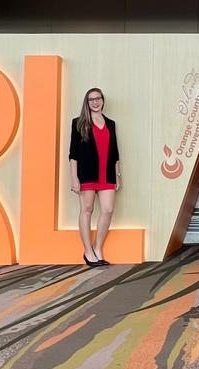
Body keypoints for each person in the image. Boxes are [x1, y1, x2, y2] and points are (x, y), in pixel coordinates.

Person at [68, 87, 121, 267]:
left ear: (103, 100)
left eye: (98, 98)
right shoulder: (78, 123)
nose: (95, 102)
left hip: (107, 173)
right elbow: (73, 154)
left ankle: (98, 248)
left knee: (108, 209)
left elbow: (115, 152)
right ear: (87, 102)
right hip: (86, 173)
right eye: (91, 99)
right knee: (87, 209)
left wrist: (118, 175)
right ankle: (88, 251)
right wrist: (74, 178)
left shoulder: (111, 123)